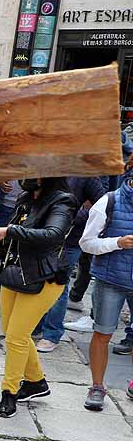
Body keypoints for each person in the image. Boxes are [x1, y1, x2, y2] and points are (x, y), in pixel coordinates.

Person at [0, 177, 77, 417]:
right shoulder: (26, 198)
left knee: (16, 337)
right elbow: (18, 233)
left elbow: (52, 234)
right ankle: (36, 382)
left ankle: (9, 392)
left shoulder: (63, 202)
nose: (26, 177)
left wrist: (9, 230)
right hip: (15, 271)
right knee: (13, 333)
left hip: (44, 277)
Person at [78, 173, 133, 412]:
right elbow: (86, 243)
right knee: (102, 333)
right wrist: (116, 242)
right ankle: (97, 386)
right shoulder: (109, 201)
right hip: (110, 279)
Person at [34, 175, 106, 352]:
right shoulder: (49, 167)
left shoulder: (86, 175)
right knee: (39, 279)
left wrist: (76, 216)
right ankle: (37, 324)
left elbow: (103, 204)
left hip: (69, 239)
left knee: (58, 284)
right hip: (42, 234)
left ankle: (52, 333)